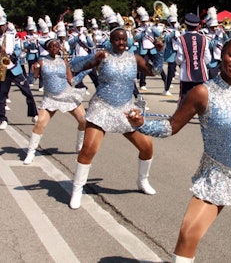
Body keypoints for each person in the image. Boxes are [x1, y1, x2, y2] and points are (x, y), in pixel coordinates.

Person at [126, 36, 231, 263]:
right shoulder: (201, 93)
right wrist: (141, 125)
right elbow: (171, 126)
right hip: (217, 173)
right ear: (221, 55)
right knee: (188, 234)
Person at [68, 27, 165, 209]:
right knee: (88, 149)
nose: (121, 43)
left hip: (126, 110)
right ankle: (77, 189)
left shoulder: (134, 58)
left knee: (147, 147)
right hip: (102, 108)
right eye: (117, 40)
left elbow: (155, 71)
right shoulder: (103, 56)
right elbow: (74, 66)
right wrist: (92, 59)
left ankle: (142, 181)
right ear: (110, 41)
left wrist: (160, 53)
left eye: (124, 39)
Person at [23, 39, 86, 165]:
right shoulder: (42, 61)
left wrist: (85, 72)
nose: (54, 48)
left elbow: (71, 80)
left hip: (66, 95)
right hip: (50, 98)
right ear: (48, 48)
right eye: (52, 46)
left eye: (57, 46)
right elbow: (32, 80)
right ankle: (31, 152)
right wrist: (32, 70)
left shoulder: (64, 61)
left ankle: (79, 146)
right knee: (40, 123)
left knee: (84, 120)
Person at [0, 5, 38, 130]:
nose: (1, 27)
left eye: (2, 25)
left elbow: (18, 49)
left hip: (14, 67)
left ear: (6, 25)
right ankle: (2, 119)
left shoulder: (12, 36)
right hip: (2, 70)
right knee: (2, 95)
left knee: (27, 91)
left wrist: (12, 56)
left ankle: (34, 113)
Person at [175, 13, 211, 106]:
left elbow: (180, 58)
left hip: (186, 74)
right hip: (201, 73)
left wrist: (180, 63)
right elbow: (208, 58)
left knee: (184, 96)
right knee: (203, 97)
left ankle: (180, 118)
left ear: (186, 25)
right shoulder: (204, 38)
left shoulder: (181, 39)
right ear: (197, 26)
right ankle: (204, 118)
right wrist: (200, 63)